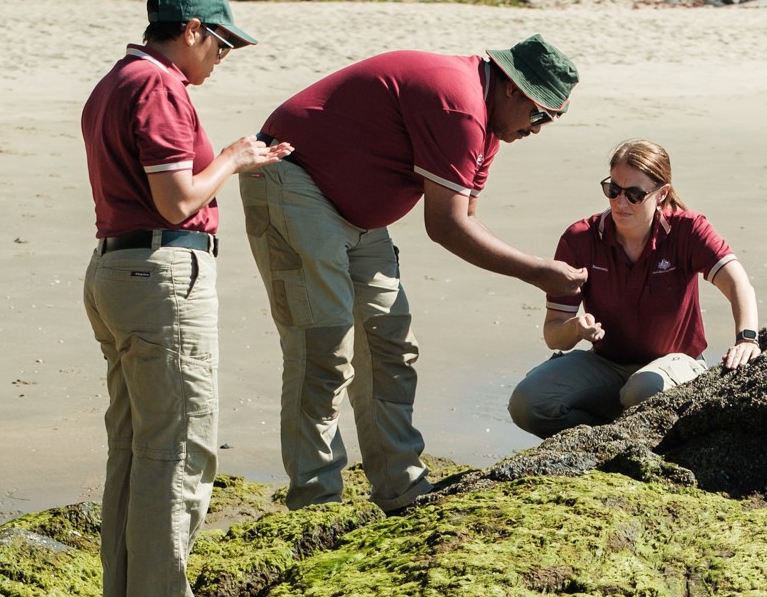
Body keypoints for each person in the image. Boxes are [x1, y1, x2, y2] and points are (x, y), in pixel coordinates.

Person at [242, 34, 586, 514]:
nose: (540, 127)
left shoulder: (488, 125)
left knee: (390, 345)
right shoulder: (461, 107)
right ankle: (316, 501)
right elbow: (445, 226)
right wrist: (540, 273)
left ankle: (400, 489)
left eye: (553, 118)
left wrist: (540, 272)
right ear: (511, 87)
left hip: (358, 213)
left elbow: (465, 215)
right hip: (291, 177)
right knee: (324, 347)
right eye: (540, 114)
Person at [79, 0, 289, 597]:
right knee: (178, 451)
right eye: (222, 42)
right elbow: (176, 201)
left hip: (117, 268)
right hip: (160, 272)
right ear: (193, 30)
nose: (223, 57)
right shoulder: (159, 86)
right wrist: (234, 156)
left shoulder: (117, 78)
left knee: (134, 450)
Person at [508, 139, 760, 437]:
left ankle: (633, 435)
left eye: (635, 194)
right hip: (605, 364)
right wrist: (576, 328)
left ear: (662, 193)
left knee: (641, 390)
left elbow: (736, 281)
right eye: (613, 190)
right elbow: (554, 335)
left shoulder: (688, 229)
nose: (620, 202)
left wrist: (747, 339)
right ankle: (600, 442)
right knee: (527, 403)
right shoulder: (579, 239)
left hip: (677, 363)